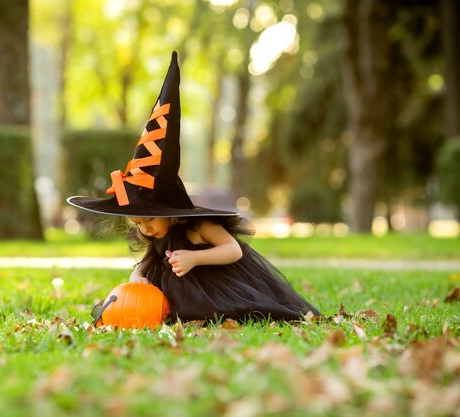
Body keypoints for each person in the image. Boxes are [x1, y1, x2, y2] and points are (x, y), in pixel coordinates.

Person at [68, 51, 320, 322]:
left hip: (219, 291)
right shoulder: (156, 235)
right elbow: (146, 265)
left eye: (149, 219)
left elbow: (233, 250)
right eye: (138, 224)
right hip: (181, 299)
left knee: (234, 313)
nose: (145, 229)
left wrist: (194, 259)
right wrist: (137, 276)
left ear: (168, 210)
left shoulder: (198, 227)